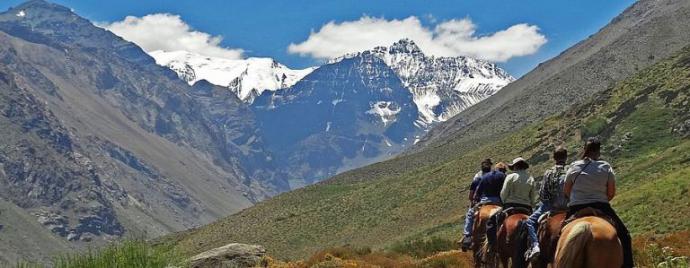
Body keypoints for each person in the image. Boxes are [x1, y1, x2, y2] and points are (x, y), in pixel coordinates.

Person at [564, 137, 634, 267]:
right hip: (601, 205)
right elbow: (611, 193)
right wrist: (601, 199)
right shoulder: (605, 167)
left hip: (576, 206)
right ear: (599, 151)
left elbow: (566, 190)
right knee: (625, 236)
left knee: (557, 236)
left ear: (584, 149)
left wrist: (577, 199)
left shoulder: (573, 167)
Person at [524, 147, 570, 260]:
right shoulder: (571, 171)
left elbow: (543, 194)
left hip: (551, 206)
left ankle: (535, 246)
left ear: (554, 158)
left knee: (529, 221)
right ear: (566, 157)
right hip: (569, 206)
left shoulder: (549, 172)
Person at [487, 157, 538, 247]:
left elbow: (503, 194)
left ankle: (493, 246)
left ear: (515, 167)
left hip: (510, 206)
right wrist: (531, 205)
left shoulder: (510, 177)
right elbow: (533, 198)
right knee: (536, 225)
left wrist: (503, 203)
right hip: (526, 208)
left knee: (492, 220)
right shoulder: (531, 179)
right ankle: (535, 245)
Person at [460, 160, 502, 251]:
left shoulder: (478, 179)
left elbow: (472, 196)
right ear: (490, 167)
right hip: (498, 202)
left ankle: (467, 236)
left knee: (470, 214)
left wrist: (475, 200)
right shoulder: (497, 177)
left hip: (484, 201)